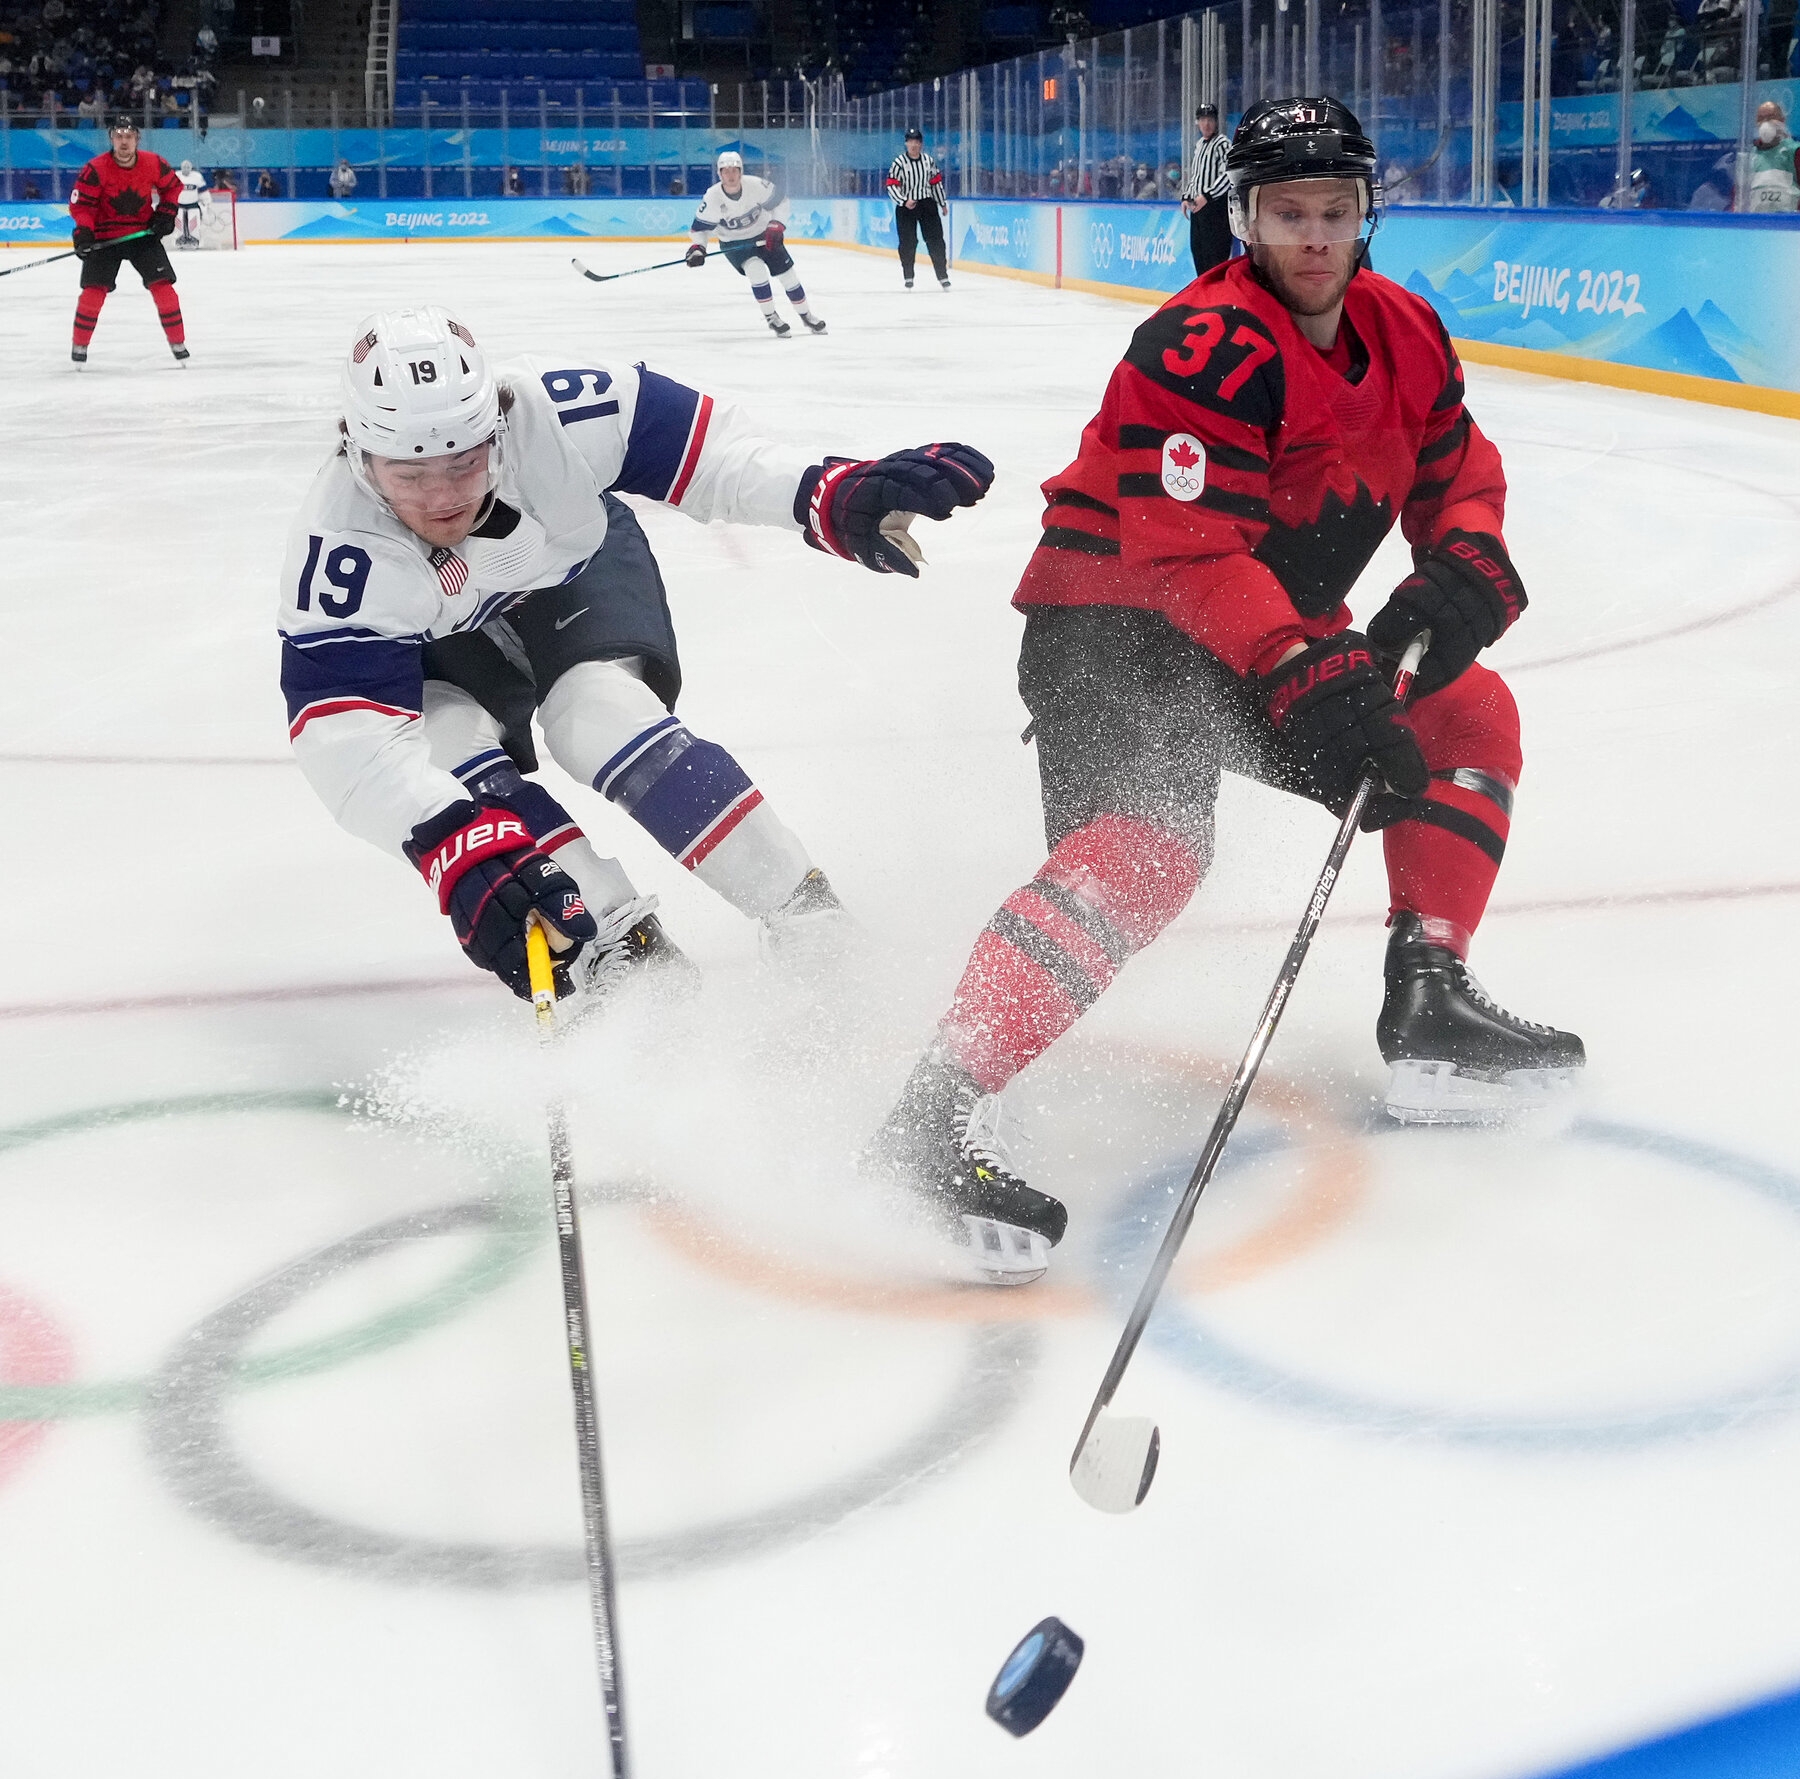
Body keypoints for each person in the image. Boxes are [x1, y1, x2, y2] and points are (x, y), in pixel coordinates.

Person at [861, 96, 1584, 1286]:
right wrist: (1310, 671)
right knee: (1148, 845)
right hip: (1112, 621)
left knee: (1469, 715)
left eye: (1334, 211)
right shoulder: (1200, 345)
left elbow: (1459, 473)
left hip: (1259, 628)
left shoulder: (1408, 331)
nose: (1312, 235)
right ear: (1243, 217)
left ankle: (1430, 1003)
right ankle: (928, 1116)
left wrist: (1466, 566)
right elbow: (1183, 550)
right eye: (1286, 211)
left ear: (1367, 217)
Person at [278, 305, 993, 1005]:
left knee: (597, 714)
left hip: (568, 570)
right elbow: (351, 739)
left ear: (497, 428)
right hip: (433, 641)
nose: (442, 500)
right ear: (357, 454)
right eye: (409, 475)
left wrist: (821, 494)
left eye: (464, 464)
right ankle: (616, 946)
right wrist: (451, 846)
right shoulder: (339, 549)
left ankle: (806, 916)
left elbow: (715, 454)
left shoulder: (554, 413)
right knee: (444, 767)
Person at [69, 115, 187, 365]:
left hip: (142, 235)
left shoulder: (154, 163)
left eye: (129, 136)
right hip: (104, 237)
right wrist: (84, 233)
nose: (124, 142)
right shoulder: (95, 169)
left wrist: (166, 212)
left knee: (164, 287)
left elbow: (173, 188)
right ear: (111, 138)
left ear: (137, 139)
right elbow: (82, 207)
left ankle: (178, 343)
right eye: (119, 136)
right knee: (93, 291)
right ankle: (79, 345)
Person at [685, 149, 825, 337]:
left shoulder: (757, 186)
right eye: (725, 171)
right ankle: (771, 317)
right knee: (756, 270)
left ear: (741, 171)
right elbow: (699, 229)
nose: (731, 175)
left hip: (764, 236)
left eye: (734, 170)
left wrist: (776, 225)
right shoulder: (712, 197)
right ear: (719, 174)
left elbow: (781, 201)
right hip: (734, 243)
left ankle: (806, 315)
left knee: (788, 276)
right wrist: (697, 249)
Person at [886, 124, 949, 290]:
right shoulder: (899, 163)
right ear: (906, 144)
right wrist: (904, 200)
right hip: (906, 206)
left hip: (927, 203)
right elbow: (891, 185)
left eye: (916, 142)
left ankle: (942, 276)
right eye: (910, 142)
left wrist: (942, 203)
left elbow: (936, 183)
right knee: (908, 241)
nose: (913, 145)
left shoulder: (928, 161)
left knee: (935, 240)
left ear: (921, 144)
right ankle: (908, 276)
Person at [1182, 102, 1232, 277]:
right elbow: (1196, 176)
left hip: (1215, 210)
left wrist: (1207, 196)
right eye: (1203, 120)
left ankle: (1216, 298)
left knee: (1215, 258)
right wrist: (1186, 196)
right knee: (1199, 253)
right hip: (1198, 210)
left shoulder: (1222, 144)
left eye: (1210, 119)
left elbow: (1228, 175)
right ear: (1197, 122)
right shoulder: (1200, 145)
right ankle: (1204, 299)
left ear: (1216, 122)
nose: (1206, 124)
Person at [1749, 100, 1800, 211]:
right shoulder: (1751, 156)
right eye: (1760, 119)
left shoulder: (1795, 151)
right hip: (1755, 222)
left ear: (1782, 121)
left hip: (1789, 223)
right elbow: (1739, 195)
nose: (1765, 123)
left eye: (1771, 117)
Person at [175, 156, 207, 246]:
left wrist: (206, 200)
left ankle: (194, 238)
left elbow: (203, 190)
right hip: (179, 204)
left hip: (193, 204)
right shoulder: (176, 176)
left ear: (191, 168)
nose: (186, 169)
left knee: (193, 221)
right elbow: (171, 190)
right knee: (179, 220)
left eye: (188, 167)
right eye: (184, 167)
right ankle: (180, 238)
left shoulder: (196, 176)